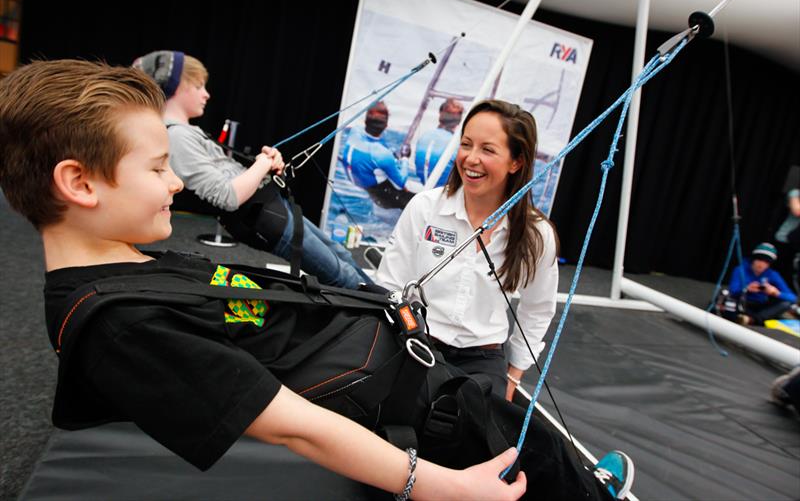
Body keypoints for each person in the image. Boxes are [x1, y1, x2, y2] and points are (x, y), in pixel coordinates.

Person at [0, 60, 635, 501]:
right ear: (79, 183)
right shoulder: (116, 324)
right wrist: (439, 484)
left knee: (532, 440)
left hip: (429, 367)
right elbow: (290, 423)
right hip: (415, 402)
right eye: (160, 167)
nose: (176, 184)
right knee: (536, 469)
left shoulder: (132, 268)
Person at [133, 50, 371, 289]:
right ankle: (392, 316)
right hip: (266, 220)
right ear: (177, 87)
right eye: (198, 86)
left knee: (344, 258)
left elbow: (232, 178)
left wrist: (264, 167)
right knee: (344, 278)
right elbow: (228, 197)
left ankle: (394, 308)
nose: (206, 94)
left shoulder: (185, 132)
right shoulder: (177, 136)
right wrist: (263, 163)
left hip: (272, 211)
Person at [377, 100, 559, 402]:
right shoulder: (425, 207)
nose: (471, 159)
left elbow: (537, 309)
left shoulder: (536, 234)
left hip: (483, 361)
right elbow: (390, 286)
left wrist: (513, 376)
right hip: (417, 340)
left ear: (516, 162)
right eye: (466, 144)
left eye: (487, 150)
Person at [340, 101, 422, 209]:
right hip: (382, 197)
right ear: (386, 126)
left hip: (359, 184)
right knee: (422, 202)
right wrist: (405, 158)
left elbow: (375, 147)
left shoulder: (355, 132)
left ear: (365, 121)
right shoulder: (382, 154)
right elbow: (400, 184)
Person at [728, 243, 798, 326]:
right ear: (753, 259)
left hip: (760, 305)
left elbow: (793, 297)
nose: (761, 264)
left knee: (785, 304)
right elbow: (732, 290)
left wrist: (776, 293)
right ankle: (754, 319)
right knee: (728, 302)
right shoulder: (740, 269)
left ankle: (751, 319)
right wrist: (746, 289)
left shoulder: (772, 274)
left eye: (766, 262)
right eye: (759, 259)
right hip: (743, 302)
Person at [412, 97, 465, 188]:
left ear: (440, 114)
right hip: (444, 190)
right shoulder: (457, 144)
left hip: (424, 184)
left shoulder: (424, 136)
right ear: (459, 121)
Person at [774, 187, 800, 294]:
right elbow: (797, 211)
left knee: (793, 274)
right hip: (785, 240)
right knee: (779, 272)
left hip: (797, 244)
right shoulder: (795, 193)